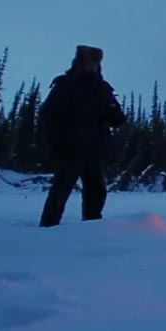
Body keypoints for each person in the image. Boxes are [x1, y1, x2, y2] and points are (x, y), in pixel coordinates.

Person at [38, 45, 127, 227]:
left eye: (93, 63)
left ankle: (91, 227)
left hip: (94, 149)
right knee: (61, 189)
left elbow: (118, 117)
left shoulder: (101, 87)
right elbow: (48, 114)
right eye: (88, 62)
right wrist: (58, 140)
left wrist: (111, 113)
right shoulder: (65, 84)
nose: (91, 66)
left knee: (96, 190)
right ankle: (48, 226)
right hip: (70, 148)